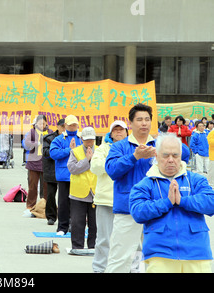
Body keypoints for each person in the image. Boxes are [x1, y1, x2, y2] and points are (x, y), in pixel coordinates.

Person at [130, 132, 214, 273]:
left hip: (196, 253)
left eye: (175, 155)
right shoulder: (145, 184)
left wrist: (183, 201)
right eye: (165, 155)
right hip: (160, 255)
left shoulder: (195, 179)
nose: (171, 160)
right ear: (156, 156)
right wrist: (166, 203)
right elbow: (138, 212)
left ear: (181, 157)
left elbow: (211, 202)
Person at [104, 103, 156, 273]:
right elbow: (112, 170)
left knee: (155, 258)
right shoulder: (120, 146)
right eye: (139, 119)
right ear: (131, 123)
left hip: (156, 209)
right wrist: (135, 156)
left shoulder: (159, 144)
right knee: (120, 258)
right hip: (128, 210)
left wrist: (162, 150)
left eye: (147, 119)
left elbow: (183, 153)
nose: (144, 123)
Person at [90, 120, 128, 273]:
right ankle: (100, 268)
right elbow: (95, 167)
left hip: (126, 200)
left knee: (128, 240)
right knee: (104, 239)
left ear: (126, 132)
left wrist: (114, 165)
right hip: (106, 200)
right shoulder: (102, 148)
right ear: (111, 133)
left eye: (121, 130)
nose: (118, 132)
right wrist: (118, 164)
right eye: (115, 130)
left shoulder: (132, 148)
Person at [50, 115, 82, 235]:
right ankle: (62, 227)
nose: (73, 127)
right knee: (63, 203)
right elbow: (53, 153)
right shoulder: (59, 139)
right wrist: (69, 150)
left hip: (79, 175)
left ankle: (75, 227)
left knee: (78, 204)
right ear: (65, 126)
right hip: (64, 176)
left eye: (75, 125)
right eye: (70, 125)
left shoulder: (82, 138)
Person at [67, 127, 98, 252]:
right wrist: (87, 160)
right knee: (77, 222)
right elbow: (72, 168)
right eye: (87, 140)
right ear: (82, 139)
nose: (89, 142)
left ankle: (93, 247)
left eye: (91, 140)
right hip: (78, 193)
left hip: (95, 193)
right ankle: (77, 247)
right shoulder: (75, 151)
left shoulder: (100, 151)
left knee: (95, 224)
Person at [23, 115, 53, 209]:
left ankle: (45, 206)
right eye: (39, 123)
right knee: (32, 186)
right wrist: (37, 143)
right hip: (33, 163)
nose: (41, 125)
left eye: (43, 123)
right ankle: (30, 206)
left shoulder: (50, 132)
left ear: (46, 123)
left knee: (46, 187)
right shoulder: (32, 132)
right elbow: (27, 144)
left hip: (46, 162)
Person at [42, 118, 65, 225]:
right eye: (62, 127)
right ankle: (51, 216)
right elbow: (46, 153)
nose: (64, 129)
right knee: (50, 195)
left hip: (65, 172)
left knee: (64, 196)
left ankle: (65, 217)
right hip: (52, 170)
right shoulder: (48, 138)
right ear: (58, 127)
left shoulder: (72, 138)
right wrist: (60, 153)